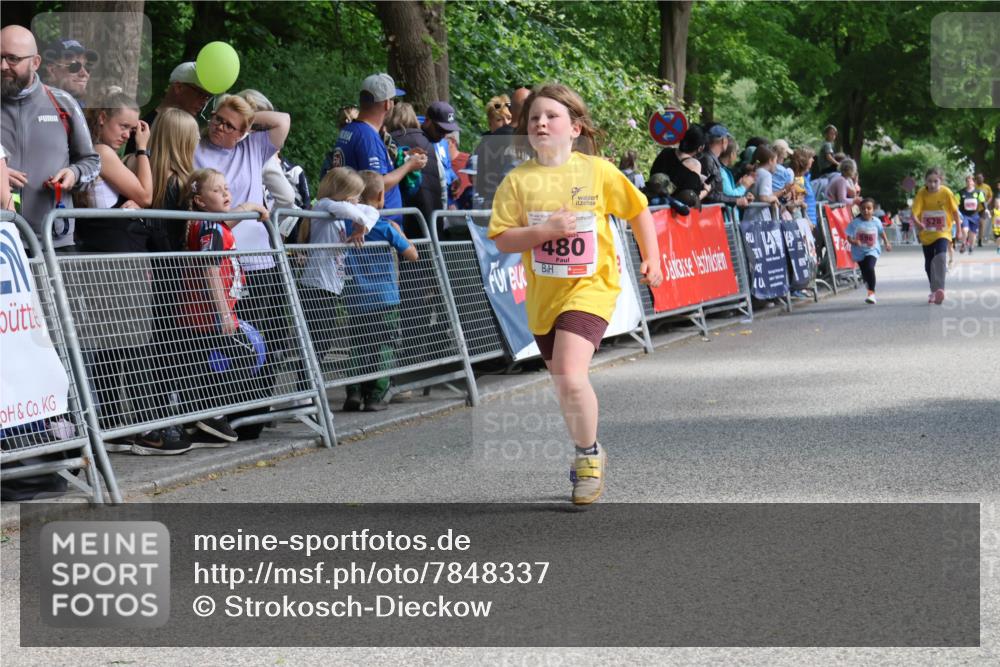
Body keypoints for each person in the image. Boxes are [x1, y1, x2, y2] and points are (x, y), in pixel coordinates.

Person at [487, 83, 663, 505]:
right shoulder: (517, 181)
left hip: (591, 287)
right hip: (544, 298)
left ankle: (587, 458)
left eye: (552, 116)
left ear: (575, 128)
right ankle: (591, 447)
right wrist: (544, 231)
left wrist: (652, 257)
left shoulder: (597, 171)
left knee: (569, 372)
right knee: (566, 384)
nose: (541, 123)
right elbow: (503, 238)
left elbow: (638, 209)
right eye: (534, 117)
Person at [152, 167, 269, 455]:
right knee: (242, 356)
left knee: (201, 367)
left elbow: (228, 220)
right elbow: (210, 268)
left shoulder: (213, 224)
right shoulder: (209, 227)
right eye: (217, 190)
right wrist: (224, 313)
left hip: (202, 318)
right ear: (200, 201)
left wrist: (251, 206)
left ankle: (203, 417)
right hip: (206, 318)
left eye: (226, 188)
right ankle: (208, 413)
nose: (226, 193)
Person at [1, 25, 100, 248]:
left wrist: (74, 174)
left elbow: (92, 162)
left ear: (35, 62)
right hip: (3, 242)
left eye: (13, 59)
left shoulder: (62, 103)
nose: (3, 66)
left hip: (54, 241)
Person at [343, 171, 418, 412]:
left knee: (358, 345)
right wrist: (401, 233)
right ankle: (376, 395)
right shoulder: (386, 227)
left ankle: (354, 391)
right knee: (384, 345)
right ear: (380, 196)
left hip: (356, 297)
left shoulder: (346, 226)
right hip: (385, 298)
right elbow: (412, 255)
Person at [296, 167, 375, 395]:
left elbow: (372, 211)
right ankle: (305, 395)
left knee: (323, 343)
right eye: (355, 195)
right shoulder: (324, 206)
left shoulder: (341, 212)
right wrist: (359, 219)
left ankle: (309, 395)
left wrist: (362, 228)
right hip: (316, 286)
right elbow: (349, 210)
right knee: (315, 345)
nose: (358, 200)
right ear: (343, 194)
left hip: (331, 287)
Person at [123, 61, 213, 155]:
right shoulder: (142, 130)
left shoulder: (192, 132)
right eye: (200, 94)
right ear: (179, 87)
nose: (204, 102)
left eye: (207, 97)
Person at [911, 167, 962, 305]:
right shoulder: (921, 193)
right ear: (925, 181)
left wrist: (959, 230)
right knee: (929, 264)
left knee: (940, 257)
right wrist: (918, 223)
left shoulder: (946, 192)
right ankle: (933, 290)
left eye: (935, 181)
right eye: (929, 181)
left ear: (941, 181)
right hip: (926, 233)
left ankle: (940, 289)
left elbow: (955, 212)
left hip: (943, 232)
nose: (932, 184)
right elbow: (914, 213)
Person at [846, 198, 892, 304]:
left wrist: (887, 242)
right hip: (859, 252)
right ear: (860, 210)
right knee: (865, 273)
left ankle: (871, 294)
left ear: (873, 210)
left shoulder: (876, 221)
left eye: (869, 208)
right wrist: (854, 241)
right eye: (863, 208)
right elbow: (848, 237)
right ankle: (867, 282)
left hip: (872, 250)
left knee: (870, 268)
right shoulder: (855, 223)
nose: (866, 211)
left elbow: (881, 232)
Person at [650, 124, 709, 206]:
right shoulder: (695, 165)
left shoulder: (665, 152)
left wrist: (698, 177)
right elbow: (692, 198)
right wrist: (706, 190)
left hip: (652, 204)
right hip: (672, 210)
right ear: (700, 148)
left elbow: (654, 174)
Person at [701, 124, 748, 208]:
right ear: (724, 141)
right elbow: (711, 195)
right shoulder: (708, 160)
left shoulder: (709, 159)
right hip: (708, 212)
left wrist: (739, 198)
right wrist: (736, 200)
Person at [40, 38, 97, 106]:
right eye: (75, 66)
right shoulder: (39, 106)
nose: (84, 74)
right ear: (52, 70)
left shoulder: (77, 105)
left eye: (87, 67)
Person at [956, 175, 986, 255]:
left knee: (973, 233)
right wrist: (956, 213)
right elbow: (955, 204)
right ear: (966, 182)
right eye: (967, 181)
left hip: (974, 215)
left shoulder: (978, 192)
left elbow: (983, 203)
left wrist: (985, 211)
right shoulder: (960, 193)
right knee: (964, 230)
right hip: (964, 214)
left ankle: (971, 247)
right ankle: (963, 244)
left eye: (970, 181)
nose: (969, 182)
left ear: (974, 182)